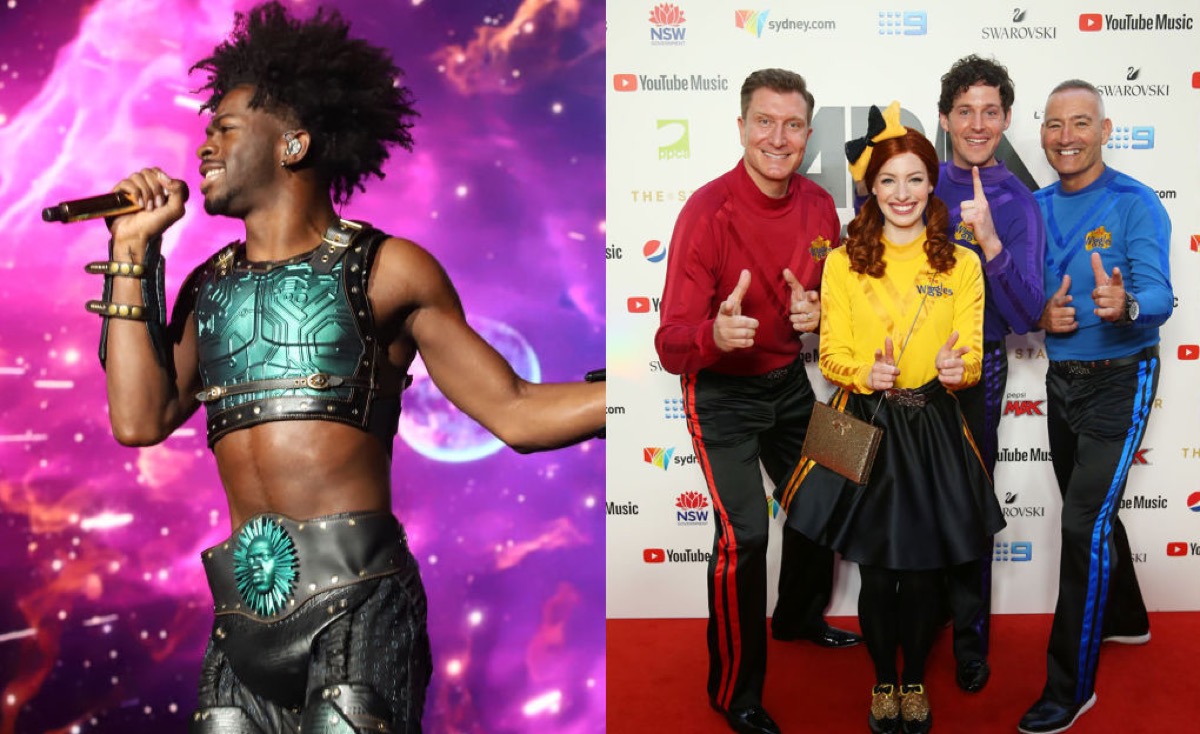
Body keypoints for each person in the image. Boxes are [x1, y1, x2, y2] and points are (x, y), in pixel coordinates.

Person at [87, 3, 605, 733]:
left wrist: (631, 401)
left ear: (293, 144)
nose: (203, 145)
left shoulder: (388, 269)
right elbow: (139, 420)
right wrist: (133, 253)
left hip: (360, 604)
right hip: (241, 619)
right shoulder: (208, 287)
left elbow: (514, 410)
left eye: (225, 128)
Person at [779, 110, 1004, 734]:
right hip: (865, 422)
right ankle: (885, 682)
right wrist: (860, 373)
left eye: (914, 180)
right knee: (877, 570)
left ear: (931, 184)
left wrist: (954, 369)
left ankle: (914, 681)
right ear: (870, 190)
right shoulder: (844, 261)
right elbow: (829, 356)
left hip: (932, 422)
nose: (902, 194)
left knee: (926, 569)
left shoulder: (959, 263)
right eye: (888, 182)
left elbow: (975, 359)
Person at [654, 67, 859, 734]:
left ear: (807, 133)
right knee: (744, 535)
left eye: (793, 124)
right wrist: (713, 334)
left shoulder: (821, 207)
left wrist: (820, 313)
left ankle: (799, 616)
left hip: (789, 382)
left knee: (840, 477)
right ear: (740, 127)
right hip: (720, 393)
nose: (779, 137)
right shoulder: (705, 211)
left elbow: (829, 300)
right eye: (765, 122)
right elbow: (668, 342)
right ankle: (735, 691)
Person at [1017, 80, 1171, 734]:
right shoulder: (1035, 207)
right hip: (1062, 381)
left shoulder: (1136, 204)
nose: (1066, 137)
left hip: (1121, 379)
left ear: (1105, 131)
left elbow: (1158, 294)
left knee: (1081, 525)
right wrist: (1037, 312)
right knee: (1093, 512)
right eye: (1055, 125)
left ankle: (1069, 686)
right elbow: (1020, 295)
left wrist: (1126, 305)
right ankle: (1128, 620)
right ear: (1043, 132)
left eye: (1081, 123)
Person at [934, 54, 1046, 694]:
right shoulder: (916, 182)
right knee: (912, 499)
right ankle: (922, 622)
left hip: (982, 366)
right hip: (910, 373)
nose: (978, 123)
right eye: (965, 111)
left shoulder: (1017, 201)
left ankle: (970, 640)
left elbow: (1028, 312)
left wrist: (989, 241)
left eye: (990, 111)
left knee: (971, 502)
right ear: (946, 117)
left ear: (1005, 119)